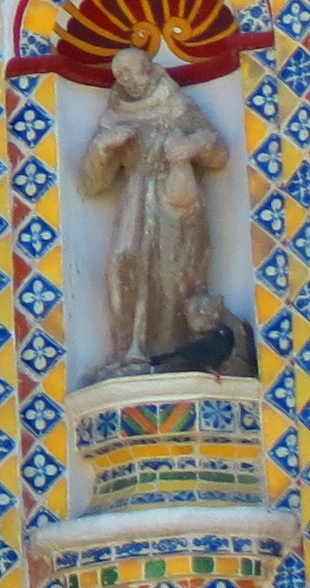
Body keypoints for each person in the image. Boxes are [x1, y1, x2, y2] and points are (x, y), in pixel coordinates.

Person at [73, 42, 232, 375]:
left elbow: (218, 152)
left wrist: (191, 146)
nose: (126, 79)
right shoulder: (114, 114)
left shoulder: (177, 105)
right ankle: (129, 350)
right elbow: (92, 184)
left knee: (174, 274)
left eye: (130, 71)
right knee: (123, 264)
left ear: (147, 68)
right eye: (119, 74)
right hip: (134, 197)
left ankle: (177, 353)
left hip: (177, 201)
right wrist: (104, 146)